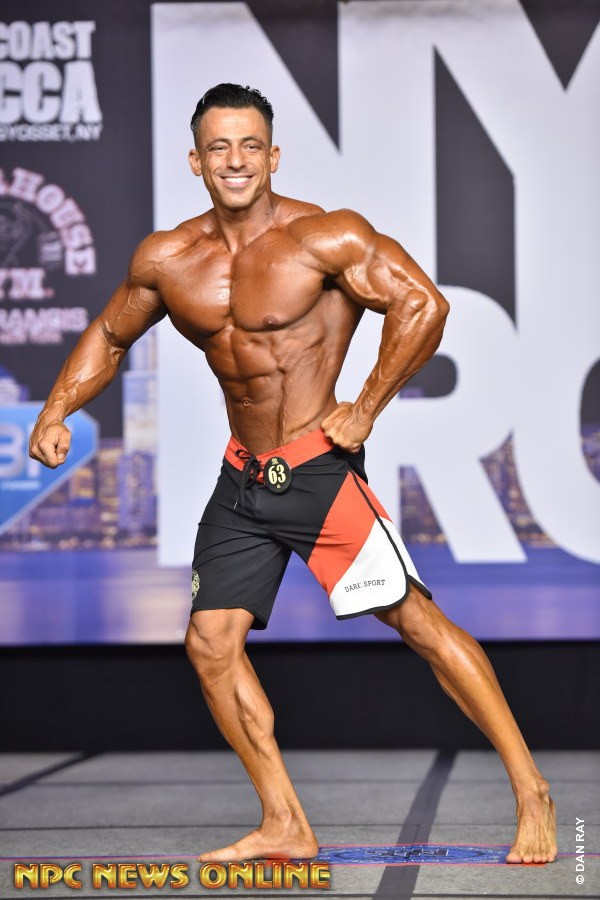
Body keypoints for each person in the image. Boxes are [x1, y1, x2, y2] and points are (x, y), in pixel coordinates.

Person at [29, 83, 556, 865]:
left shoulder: (324, 238)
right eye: (219, 147)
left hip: (317, 472)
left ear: (272, 155)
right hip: (242, 480)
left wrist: (365, 408)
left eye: (250, 145)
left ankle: (531, 790)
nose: (235, 160)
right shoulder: (168, 259)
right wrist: (56, 408)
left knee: (417, 622)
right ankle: (284, 822)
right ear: (196, 161)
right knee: (210, 644)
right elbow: (110, 335)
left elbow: (423, 305)